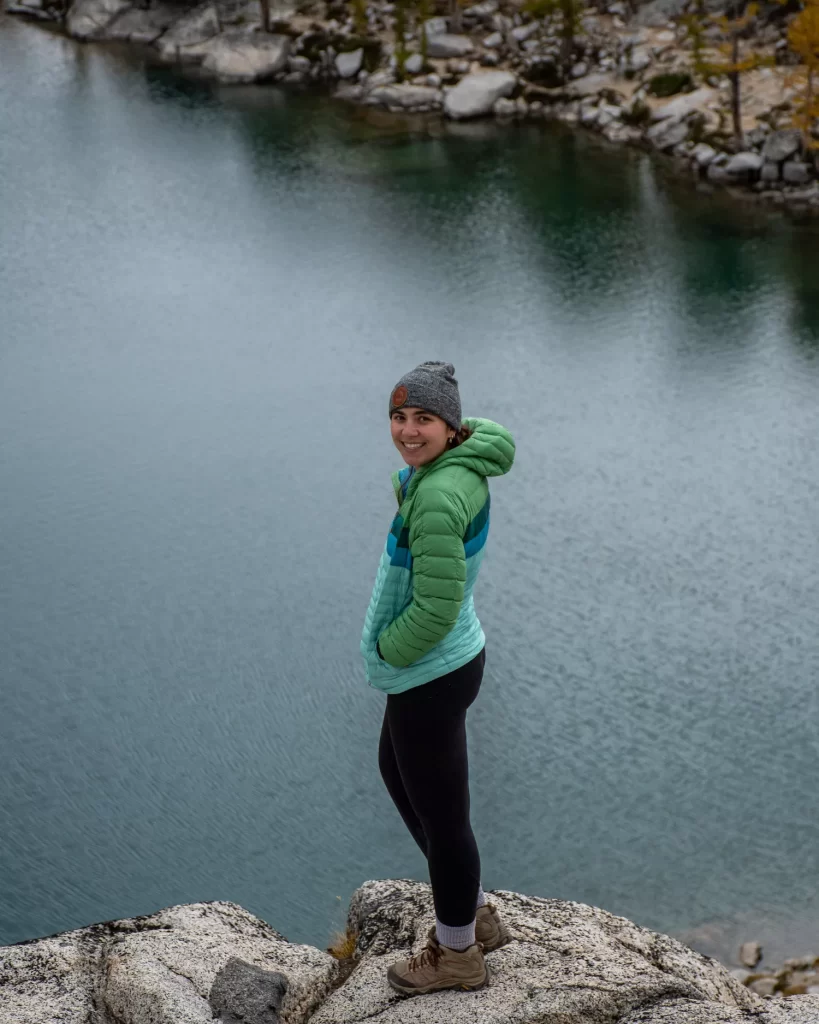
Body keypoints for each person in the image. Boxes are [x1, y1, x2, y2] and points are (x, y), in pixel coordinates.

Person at [360, 361, 516, 996]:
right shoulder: (451, 471)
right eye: (399, 417)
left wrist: (389, 650)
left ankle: (457, 953)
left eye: (422, 418)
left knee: (444, 819)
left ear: (451, 427)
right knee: (400, 776)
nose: (407, 430)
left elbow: (435, 605)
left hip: (431, 670)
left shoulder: (440, 495)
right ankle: (474, 914)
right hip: (447, 663)